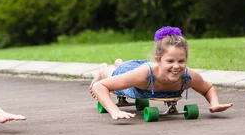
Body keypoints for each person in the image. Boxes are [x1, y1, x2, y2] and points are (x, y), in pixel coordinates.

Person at [89, 26, 234, 121]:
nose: (176, 66)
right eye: (170, 61)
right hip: (134, 75)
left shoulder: (187, 76)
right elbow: (99, 87)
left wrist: (214, 103)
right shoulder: (143, 75)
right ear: (159, 60)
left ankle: (118, 63)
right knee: (115, 75)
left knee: (124, 74)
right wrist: (114, 111)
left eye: (181, 61)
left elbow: (208, 88)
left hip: (145, 72)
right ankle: (105, 69)